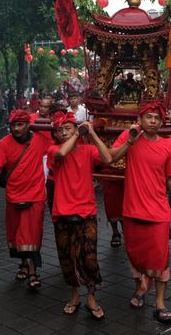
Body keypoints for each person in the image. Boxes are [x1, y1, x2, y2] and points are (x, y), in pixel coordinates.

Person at [109, 103, 171, 324]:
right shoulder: (129, 136)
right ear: (140, 119)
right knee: (136, 255)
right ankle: (140, 286)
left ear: (161, 122)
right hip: (132, 209)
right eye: (148, 117)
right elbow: (111, 157)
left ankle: (159, 302)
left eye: (156, 118)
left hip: (159, 210)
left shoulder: (168, 146)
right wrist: (130, 139)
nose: (152, 121)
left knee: (160, 258)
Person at [48, 112, 112, 320]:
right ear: (56, 135)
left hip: (87, 211)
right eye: (61, 130)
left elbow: (108, 158)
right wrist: (77, 133)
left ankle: (91, 295)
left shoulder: (87, 150)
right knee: (67, 259)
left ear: (75, 129)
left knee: (89, 257)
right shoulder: (53, 150)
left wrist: (91, 134)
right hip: (62, 212)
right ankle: (74, 295)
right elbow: (61, 154)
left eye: (69, 128)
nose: (65, 133)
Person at [0, 110, 52, 290]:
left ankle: (32, 272)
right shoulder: (5, 143)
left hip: (36, 195)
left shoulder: (40, 139)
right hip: (14, 195)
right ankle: (24, 264)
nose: (16, 129)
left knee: (29, 234)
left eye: (20, 124)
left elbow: (59, 144)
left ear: (28, 125)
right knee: (16, 233)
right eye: (13, 125)